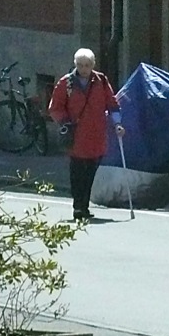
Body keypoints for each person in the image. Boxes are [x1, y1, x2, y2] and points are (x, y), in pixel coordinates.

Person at [48, 48, 125, 221]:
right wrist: (64, 122)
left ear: (93, 65)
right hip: (75, 136)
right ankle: (78, 206)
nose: (84, 69)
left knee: (90, 172)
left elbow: (112, 104)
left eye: (87, 65)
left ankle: (84, 205)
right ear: (75, 64)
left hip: (96, 135)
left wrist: (118, 123)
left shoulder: (101, 81)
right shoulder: (66, 83)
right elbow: (55, 108)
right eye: (80, 65)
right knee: (77, 172)